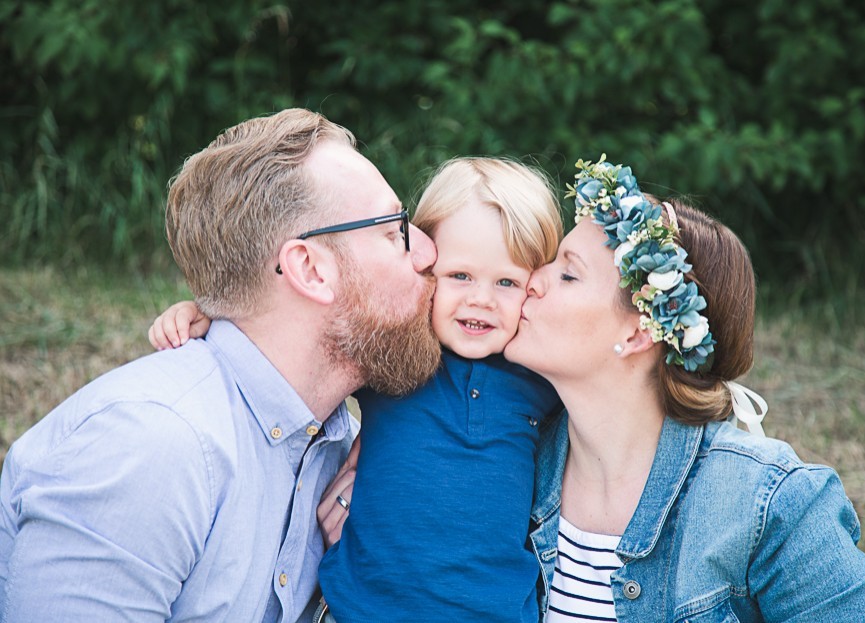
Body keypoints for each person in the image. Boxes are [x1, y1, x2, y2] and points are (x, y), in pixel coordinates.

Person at [0, 108, 441, 622]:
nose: (429, 251)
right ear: (309, 269)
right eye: (394, 229)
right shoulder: (154, 446)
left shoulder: (339, 450)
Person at [147, 157, 566, 622]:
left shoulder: (539, 375)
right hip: (364, 610)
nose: (481, 299)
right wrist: (205, 313)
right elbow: (291, 337)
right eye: (460, 276)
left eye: (507, 282)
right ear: (425, 267)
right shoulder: (399, 351)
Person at [503, 157, 865, 621]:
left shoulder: (776, 506)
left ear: (639, 333)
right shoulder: (508, 462)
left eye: (567, 274)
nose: (531, 280)